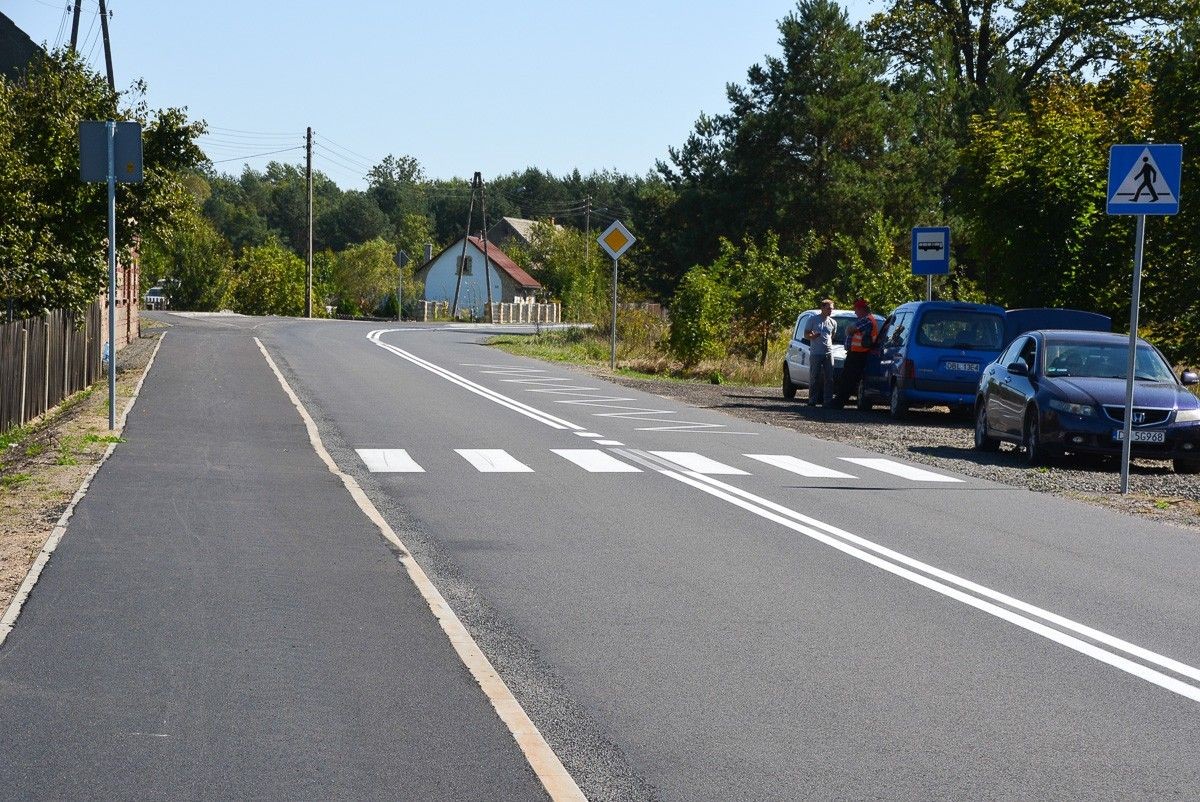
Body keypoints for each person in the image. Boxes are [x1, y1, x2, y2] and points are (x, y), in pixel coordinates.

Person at [830, 298, 879, 409]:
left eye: (856, 309)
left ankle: (838, 402)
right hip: (856, 354)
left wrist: (849, 329)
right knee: (847, 378)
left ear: (862, 309)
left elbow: (850, 329)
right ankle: (839, 401)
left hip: (858, 354)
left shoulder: (867, 320)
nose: (855, 312)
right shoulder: (868, 319)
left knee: (848, 379)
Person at [804, 299, 837, 406]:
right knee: (814, 377)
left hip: (828, 352)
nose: (830, 311)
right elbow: (806, 335)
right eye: (828, 308)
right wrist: (812, 336)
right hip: (816, 353)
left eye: (831, 309)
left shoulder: (833, 322)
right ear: (822, 308)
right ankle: (812, 400)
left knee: (829, 378)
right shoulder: (813, 320)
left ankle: (827, 401)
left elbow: (832, 336)